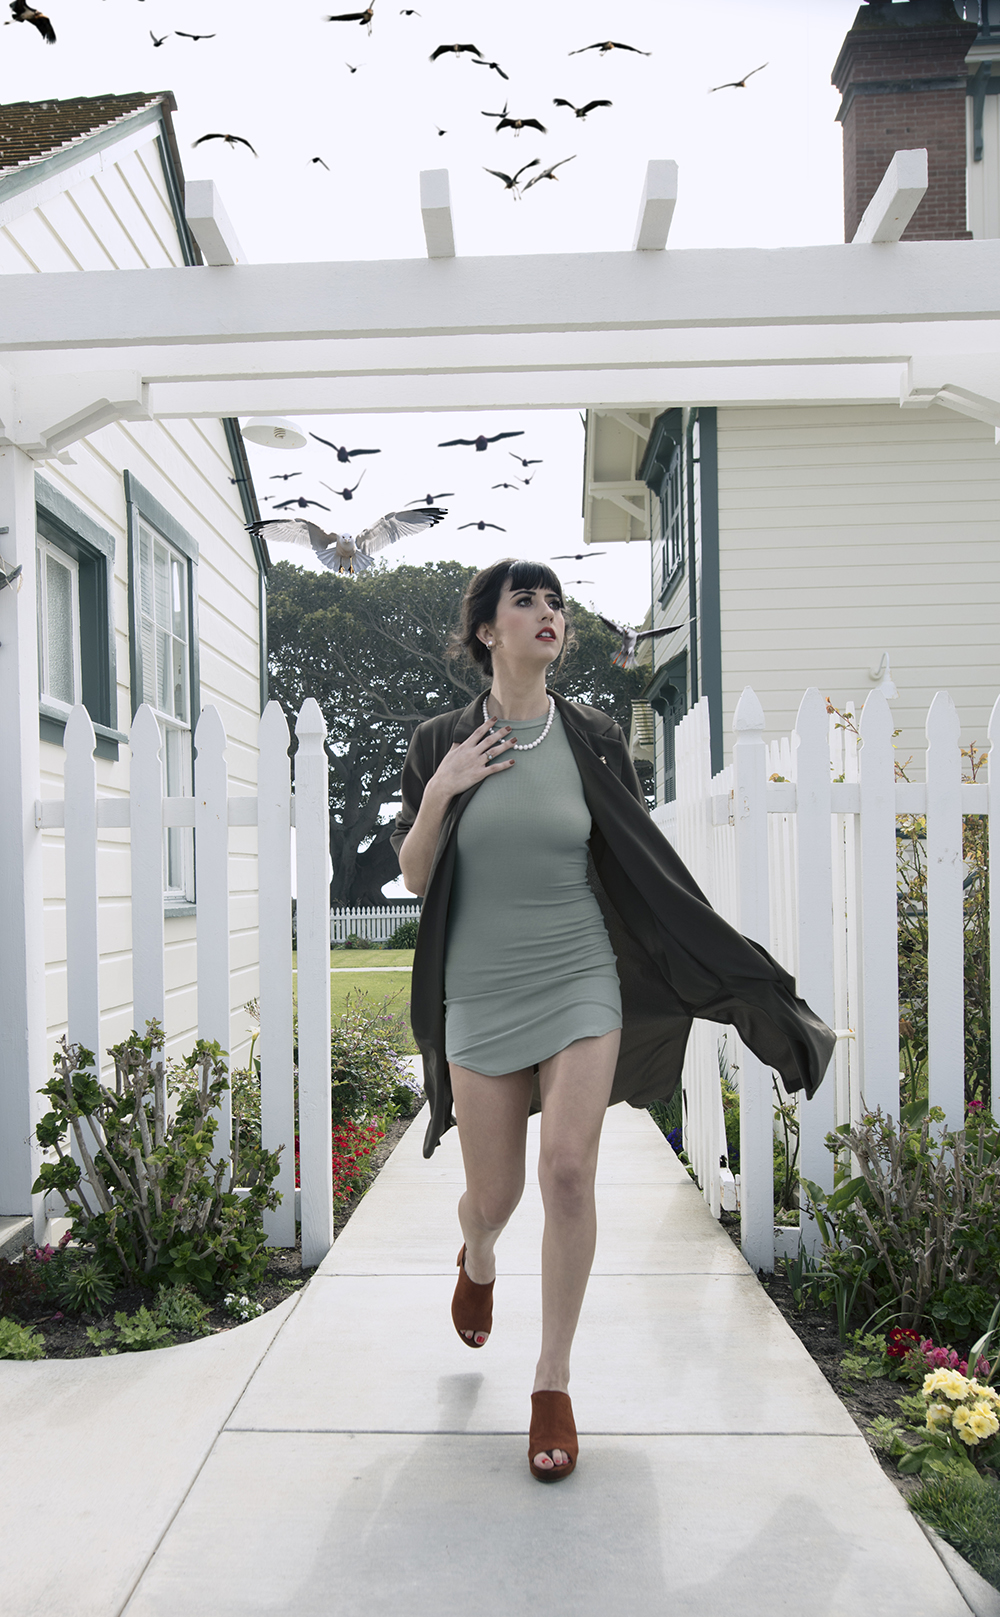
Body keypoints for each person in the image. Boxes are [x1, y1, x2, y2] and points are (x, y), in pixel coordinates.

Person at [390, 558, 835, 1485]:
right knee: (495, 1198)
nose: (548, 612)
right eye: (525, 600)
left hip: (579, 976)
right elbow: (419, 877)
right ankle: (478, 1256)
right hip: (480, 987)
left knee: (567, 1173)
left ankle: (551, 1380)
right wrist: (442, 790)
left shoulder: (591, 736)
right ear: (487, 630)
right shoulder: (439, 740)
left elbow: (639, 865)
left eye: (556, 601)